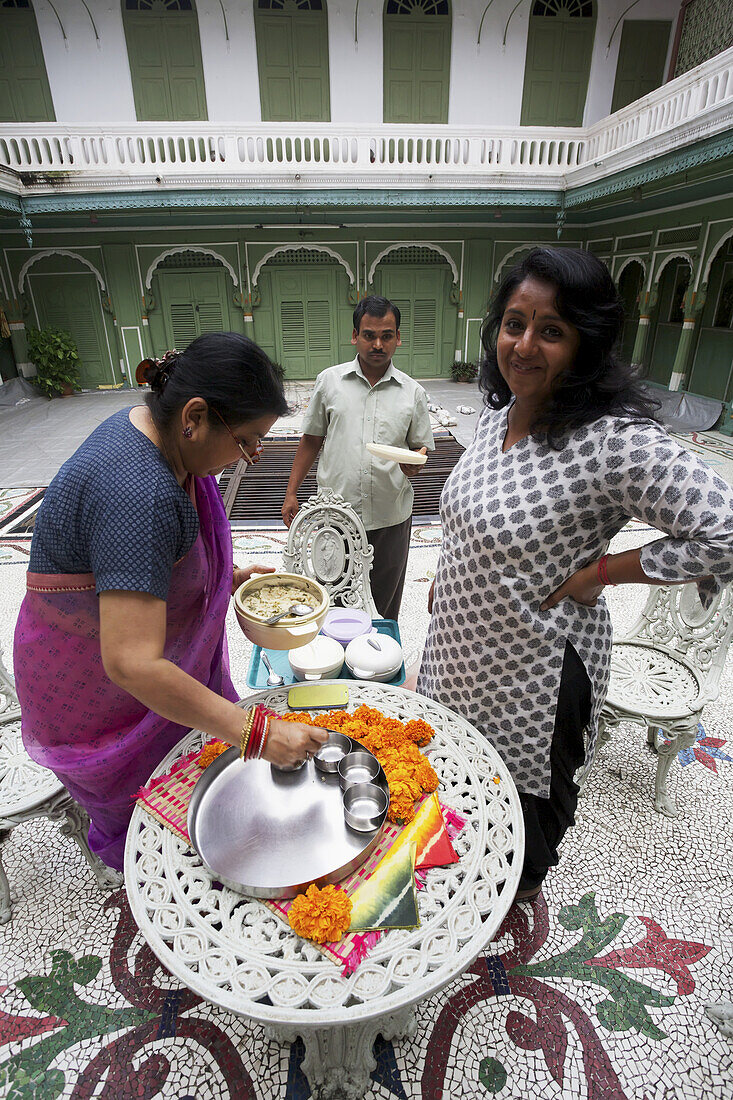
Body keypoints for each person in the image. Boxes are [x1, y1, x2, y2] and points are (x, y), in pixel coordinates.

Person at [417, 247, 733, 900]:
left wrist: (607, 570)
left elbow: (722, 531)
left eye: (550, 330)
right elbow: (482, 519)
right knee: (461, 786)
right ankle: (466, 886)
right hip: (459, 655)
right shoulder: (497, 415)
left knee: (527, 822)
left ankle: (504, 912)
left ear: (585, 345)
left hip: (534, 673)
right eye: (513, 323)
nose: (524, 345)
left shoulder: (612, 441)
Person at [13, 333, 328, 871]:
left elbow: (148, 558)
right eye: (247, 441)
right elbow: (131, 663)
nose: (249, 459)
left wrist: (220, 576)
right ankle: (131, 868)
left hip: (118, 660)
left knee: (188, 774)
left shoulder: (157, 434)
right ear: (195, 416)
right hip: (93, 690)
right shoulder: (136, 490)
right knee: (145, 813)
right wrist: (259, 733)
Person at [281, 296, 434, 621]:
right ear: (355, 336)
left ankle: (378, 665)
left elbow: (420, 448)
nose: (378, 344)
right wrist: (292, 491)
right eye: (369, 335)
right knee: (333, 599)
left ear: (398, 338)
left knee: (382, 607)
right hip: (335, 515)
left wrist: (415, 461)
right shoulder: (329, 382)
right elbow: (311, 439)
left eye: (387, 335)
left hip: (389, 517)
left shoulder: (412, 392)